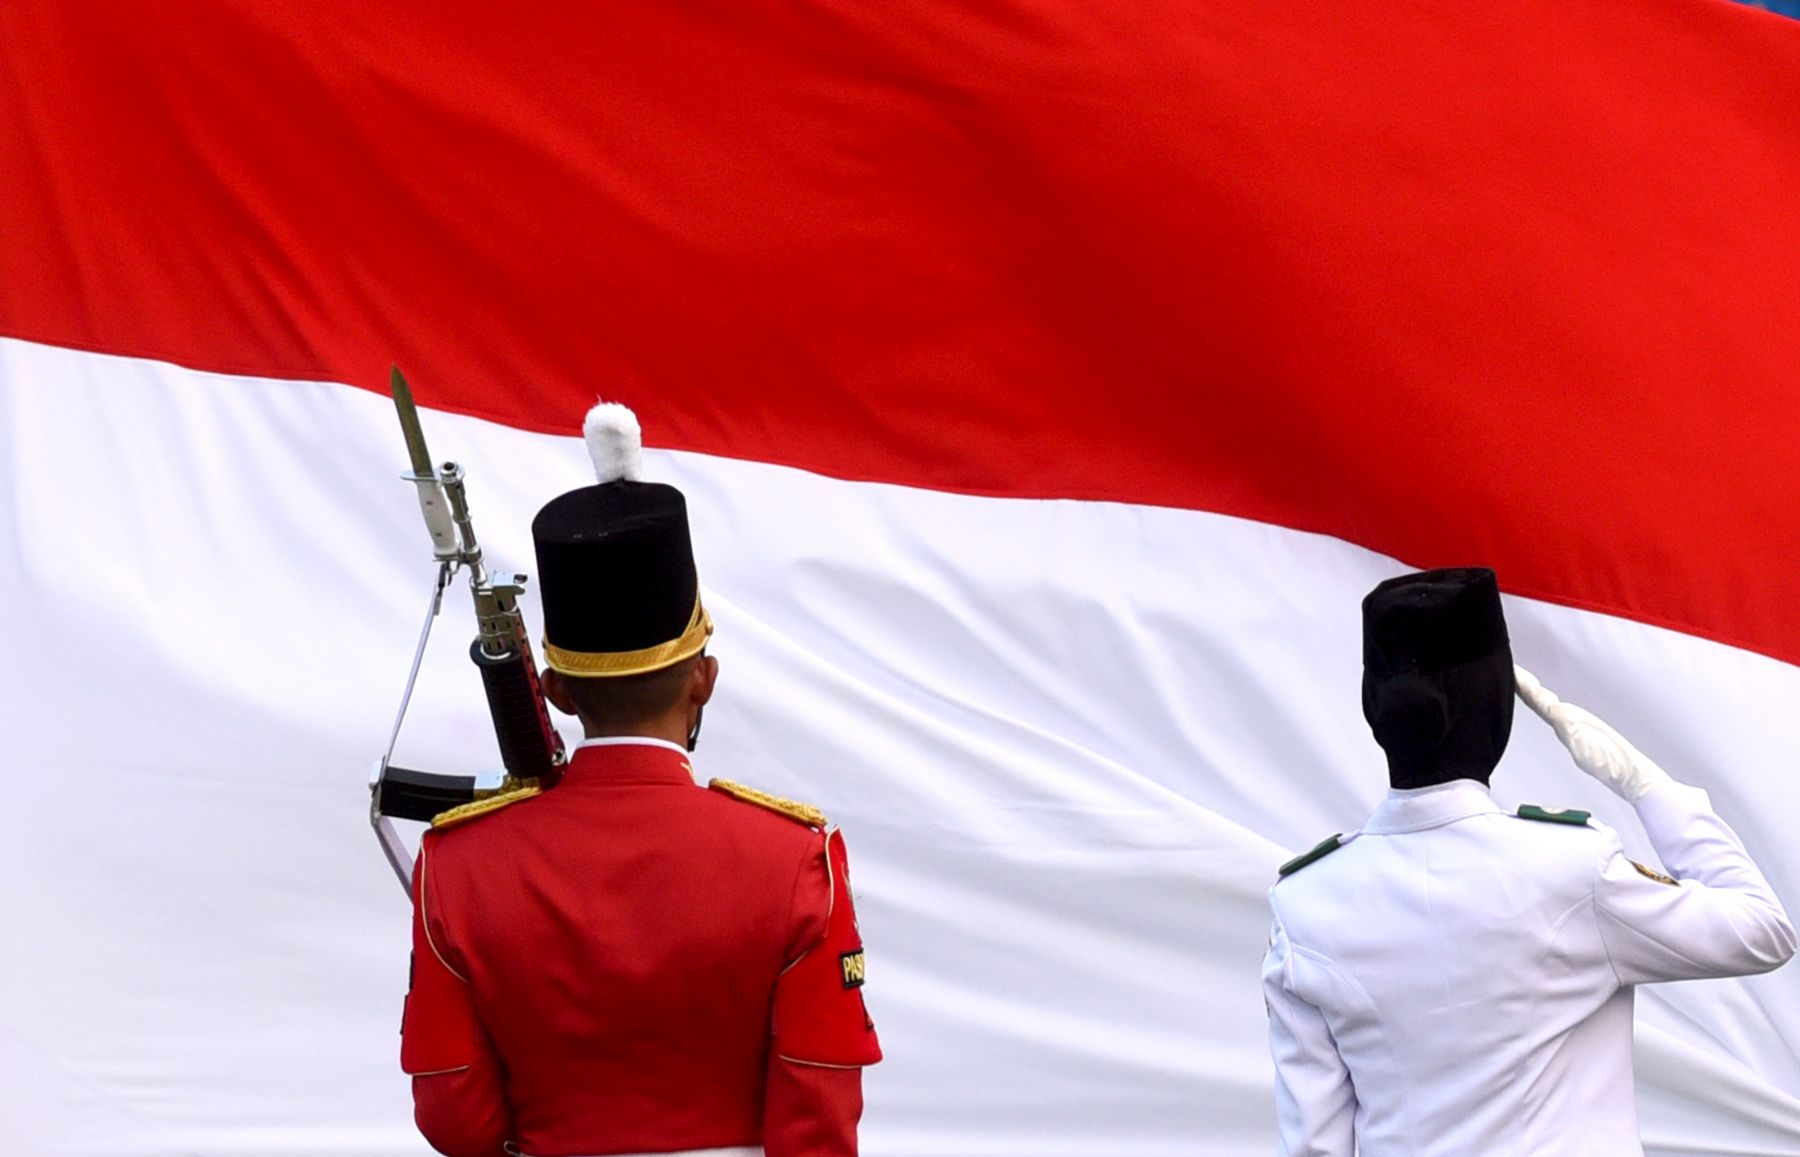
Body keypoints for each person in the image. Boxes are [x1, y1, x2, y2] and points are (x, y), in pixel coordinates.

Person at [399, 403, 881, 1157]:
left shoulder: (456, 866)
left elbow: (455, 1114)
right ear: (705, 679)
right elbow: (817, 1116)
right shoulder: (797, 859)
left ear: (555, 690)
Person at [1263, 566, 1794, 1156]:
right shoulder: (1570, 868)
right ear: (1498, 703)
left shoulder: (1304, 905)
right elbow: (1764, 930)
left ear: (1372, 709)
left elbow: (1316, 1147)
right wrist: (1647, 786)